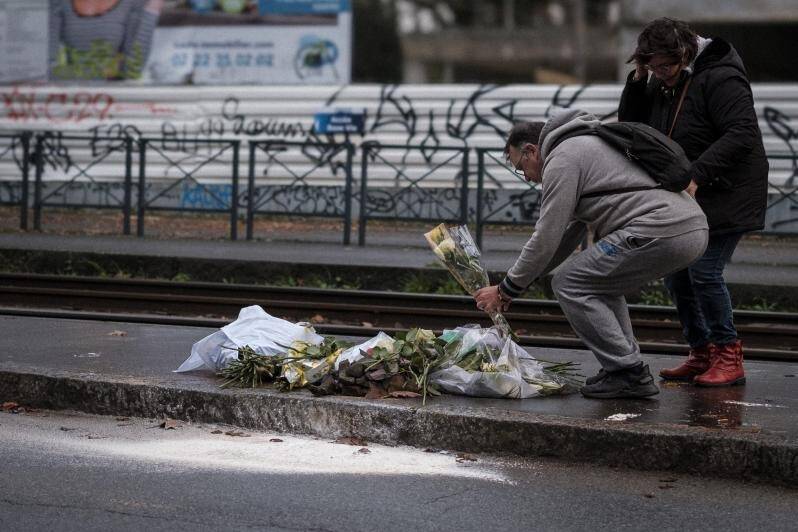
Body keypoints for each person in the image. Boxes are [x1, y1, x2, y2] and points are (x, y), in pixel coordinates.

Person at [474, 109, 708, 399]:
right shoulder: (584, 146)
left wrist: (506, 287)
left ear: (532, 150)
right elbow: (562, 238)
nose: (527, 177)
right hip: (689, 227)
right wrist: (513, 288)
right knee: (599, 282)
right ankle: (625, 366)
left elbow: (546, 235)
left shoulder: (563, 158)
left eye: (521, 167)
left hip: (660, 227)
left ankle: (627, 372)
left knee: (569, 283)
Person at [618, 18, 769, 387]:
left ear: (685, 53)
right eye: (652, 67)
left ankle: (728, 355)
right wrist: (639, 81)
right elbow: (633, 126)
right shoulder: (663, 78)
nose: (660, 74)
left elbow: (742, 133)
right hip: (689, 193)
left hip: (727, 191)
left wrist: (696, 174)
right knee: (677, 275)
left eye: (664, 67)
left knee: (703, 271)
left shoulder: (721, 76)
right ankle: (701, 352)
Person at [49, 0, 165, 80]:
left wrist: (152, 9)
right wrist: (105, 71)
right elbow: (46, 68)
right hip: (70, 99)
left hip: (114, 101)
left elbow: (132, 69)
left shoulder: (132, 2)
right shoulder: (59, 3)